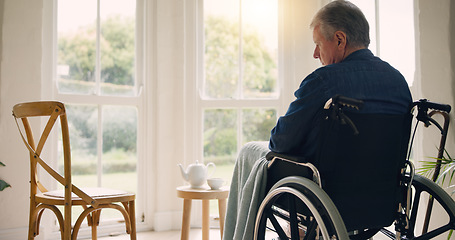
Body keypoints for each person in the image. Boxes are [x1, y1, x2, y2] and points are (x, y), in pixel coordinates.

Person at [223, 1, 412, 239]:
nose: (315, 54)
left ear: (340, 40)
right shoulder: (399, 82)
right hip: (381, 197)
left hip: (327, 192)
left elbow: (280, 142)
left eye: (318, 44)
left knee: (250, 150)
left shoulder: (323, 80)